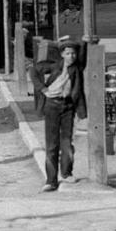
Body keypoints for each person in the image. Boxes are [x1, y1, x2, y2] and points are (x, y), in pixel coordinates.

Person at [31, 38, 88, 192]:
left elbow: (83, 52)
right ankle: (51, 180)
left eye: (73, 53)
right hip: (51, 106)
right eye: (68, 53)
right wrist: (43, 89)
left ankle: (67, 173)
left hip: (68, 106)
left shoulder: (77, 68)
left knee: (67, 142)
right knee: (52, 145)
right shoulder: (54, 67)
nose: (71, 56)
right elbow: (34, 71)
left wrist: (83, 42)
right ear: (62, 54)